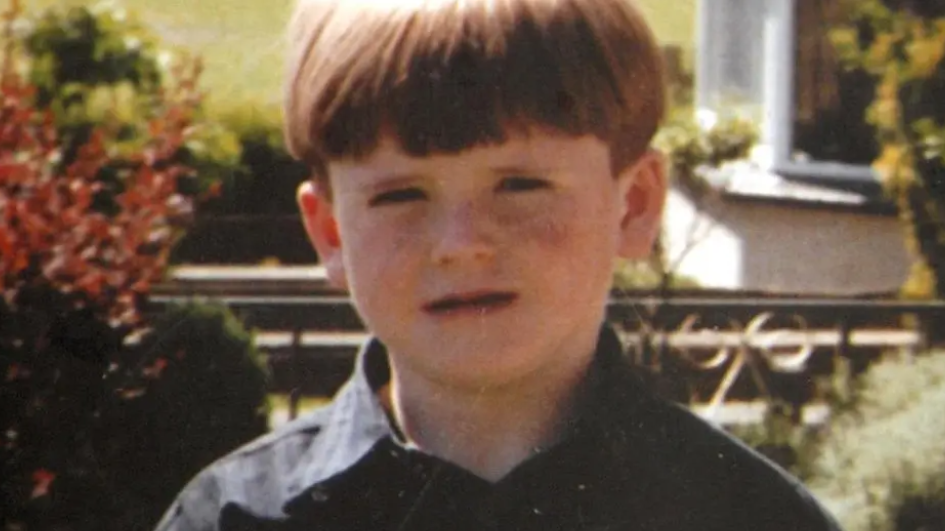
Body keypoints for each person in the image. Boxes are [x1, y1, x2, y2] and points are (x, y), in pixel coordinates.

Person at [156, 0, 843, 529]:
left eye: (519, 185)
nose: (460, 243)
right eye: (400, 194)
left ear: (632, 204)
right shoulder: (234, 517)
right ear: (331, 231)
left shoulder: (745, 515)